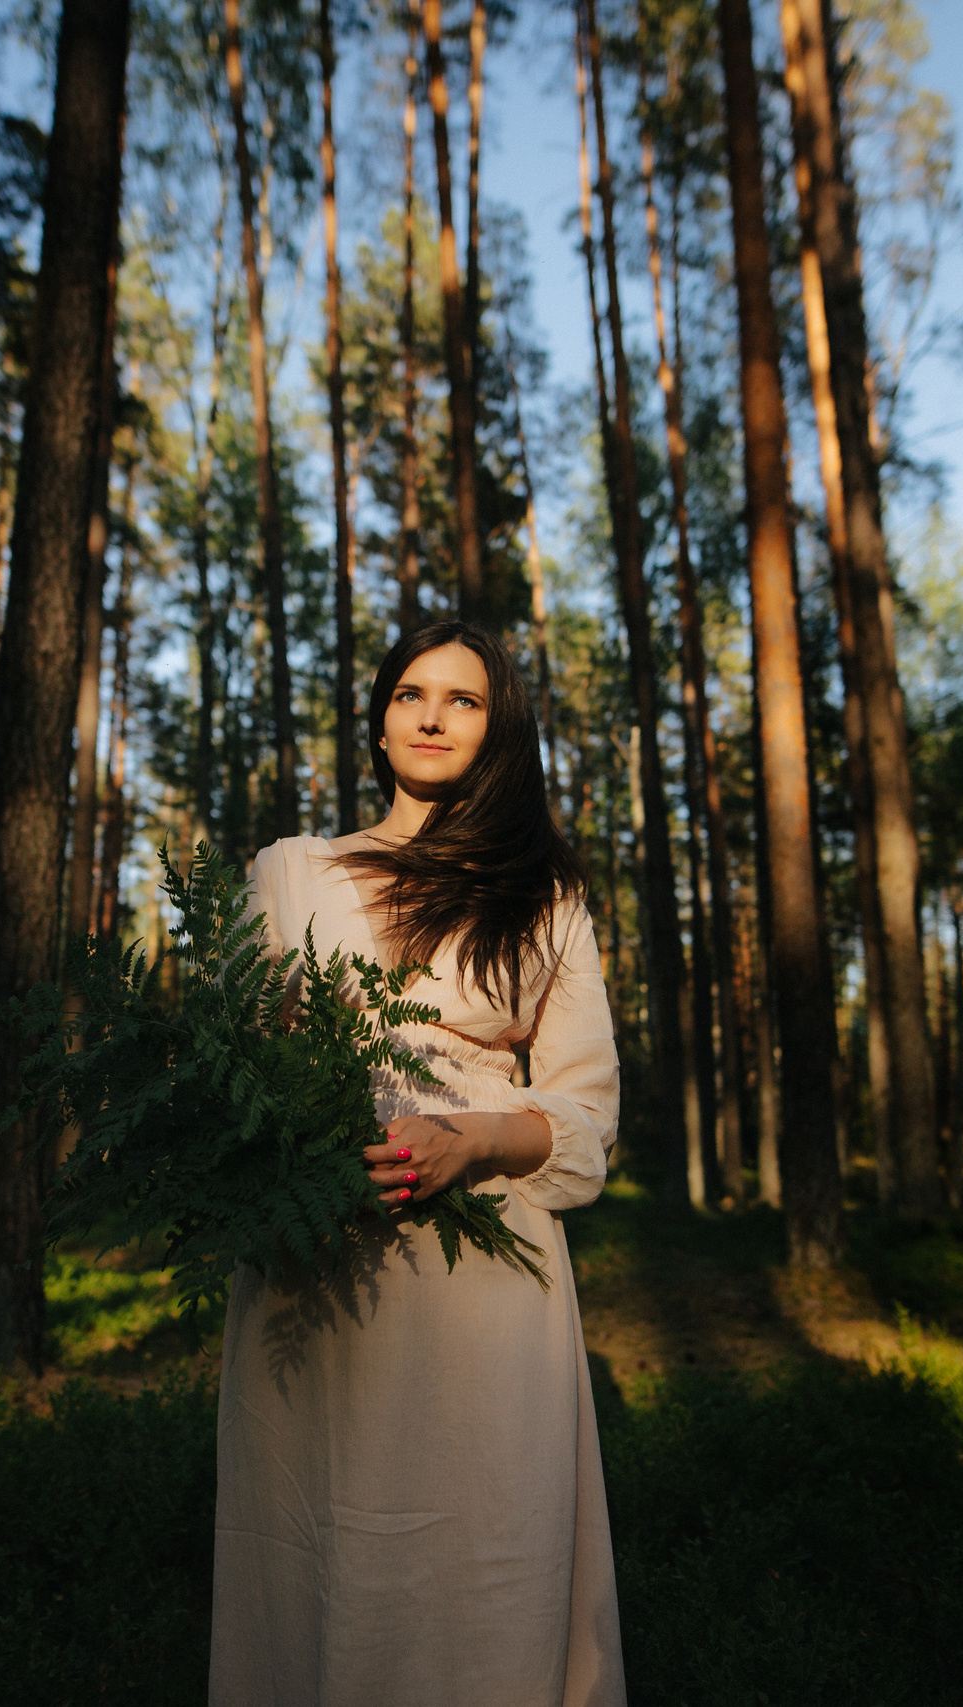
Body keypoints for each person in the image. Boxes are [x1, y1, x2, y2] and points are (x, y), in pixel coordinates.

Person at [210, 621, 627, 1706]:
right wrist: (304, 1153)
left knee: (483, 1535)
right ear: (381, 717)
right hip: (319, 1248)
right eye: (410, 693)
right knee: (320, 1531)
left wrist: (474, 1138)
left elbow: (586, 1116)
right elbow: (231, 1073)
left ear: (498, 729)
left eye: (464, 699)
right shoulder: (291, 872)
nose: (432, 716)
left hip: (483, 1259)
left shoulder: (544, 892)